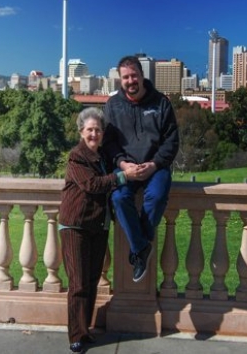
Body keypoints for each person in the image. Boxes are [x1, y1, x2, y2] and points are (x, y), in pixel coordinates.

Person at [60, 107, 140, 353]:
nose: (94, 134)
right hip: (76, 226)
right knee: (78, 283)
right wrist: (124, 176)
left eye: (97, 130)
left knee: (92, 281)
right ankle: (75, 335)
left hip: (98, 225)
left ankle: (85, 330)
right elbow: (92, 185)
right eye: (89, 129)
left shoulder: (103, 156)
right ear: (81, 131)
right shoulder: (77, 156)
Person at [103, 55, 179, 283]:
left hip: (156, 167)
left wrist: (154, 164)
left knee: (157, 197)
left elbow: (171, 141)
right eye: (125, 77)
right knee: (118, 198)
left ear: (142, 75)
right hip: (126, 168)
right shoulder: (112, 105)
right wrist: (122, 164)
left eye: (134, 75)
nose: (130, 81)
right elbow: (108, 143)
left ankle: (139, 245)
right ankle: (141, 246)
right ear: (120, 79)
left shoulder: (161, 103)